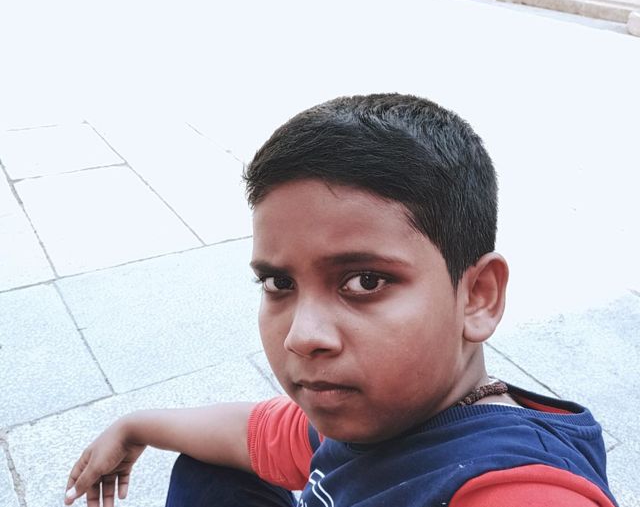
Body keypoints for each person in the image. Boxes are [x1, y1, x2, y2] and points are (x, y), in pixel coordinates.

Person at [63, 94, 619, 507]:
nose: (302, 336)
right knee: (208, 470)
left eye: (365, 282)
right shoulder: (372, 412)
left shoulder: (515, 487)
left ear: (477, 296)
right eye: (279, 284)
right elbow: (256, 434)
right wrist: (135, 425)